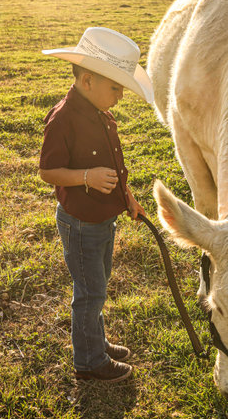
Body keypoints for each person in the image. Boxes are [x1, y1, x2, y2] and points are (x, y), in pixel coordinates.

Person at [38, 26, 154, 384]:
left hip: (103, 220)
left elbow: (116, 168)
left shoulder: (101, 113)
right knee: (89, 292)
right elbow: (47, 172)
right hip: (81, 223)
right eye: (116, 87)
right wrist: (85, 177)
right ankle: (89, 361)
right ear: (87, 81)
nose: (120, 95)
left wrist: (128, 198)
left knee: (98, 285)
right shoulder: (64, 119)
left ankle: (96, 341)